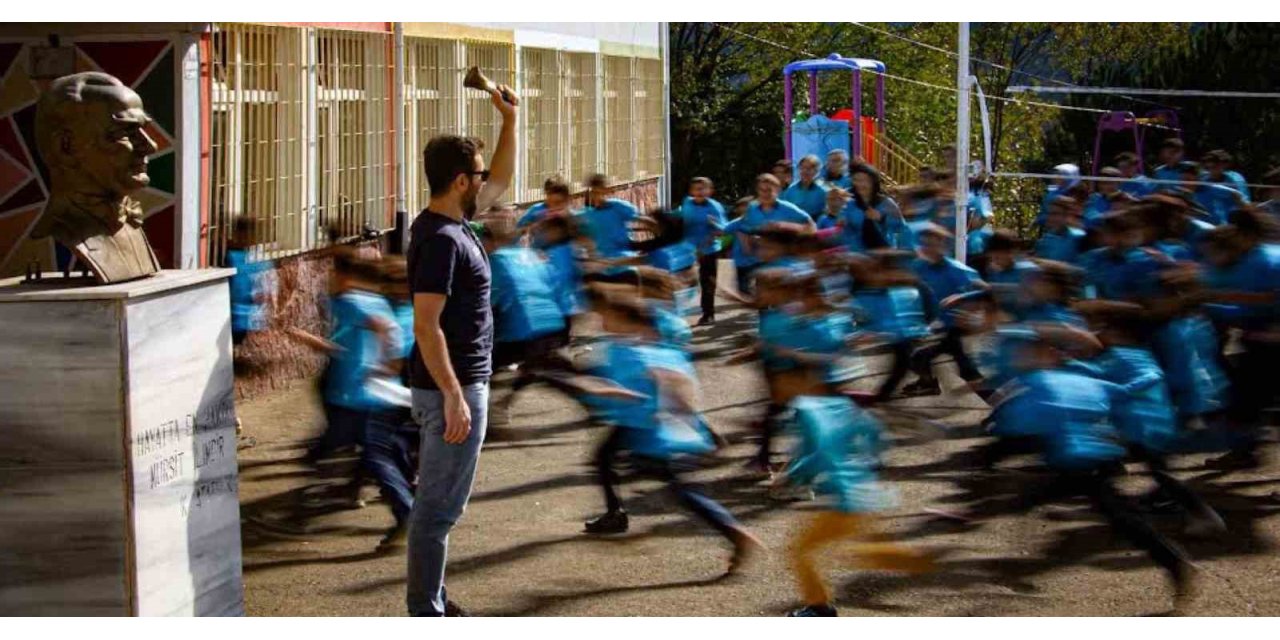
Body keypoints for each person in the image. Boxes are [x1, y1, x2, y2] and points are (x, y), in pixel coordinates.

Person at [404, 79, 518, 617]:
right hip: (451, 389)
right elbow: (427, 326)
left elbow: (500, 178)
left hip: (463, 384)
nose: (485, 181)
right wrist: (453, 394)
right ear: (457, 181)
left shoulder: (456, 223)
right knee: (437, 512)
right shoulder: (442, 240)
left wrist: (509, 120)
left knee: (442, 507)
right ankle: (426, 612)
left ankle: (435, 600)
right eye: (475, 174)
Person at [288, 251, 412, 549]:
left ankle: (406, 510)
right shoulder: (355, 302)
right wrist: (308, 340)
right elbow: (342, 348)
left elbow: (388, 329)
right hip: (359, 395)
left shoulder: (355, 303)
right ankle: (305, 508)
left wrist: (388, 363)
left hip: (361, 397)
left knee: (370, 456)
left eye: (334, 275)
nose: (330, 280)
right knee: (350, 452)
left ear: (345, 277)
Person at [776, 393, 934, 617]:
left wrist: (791, 476)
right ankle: (926, 562)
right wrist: (873, 457)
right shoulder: (840, 407)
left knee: (802, 552)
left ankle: (820, 609)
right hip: (866, 493)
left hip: (848, 500)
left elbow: (820, 453)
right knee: (866, 550)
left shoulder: (806, 412)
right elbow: (872, 430)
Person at [907, 224, 986, 396]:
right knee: (921, 356)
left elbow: (983, 291)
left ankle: (992, 397)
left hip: (955, 324)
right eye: (924, 244)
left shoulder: (956, 270)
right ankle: (927, 382)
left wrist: (964, 303)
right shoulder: (919, 267)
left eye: (932, 244)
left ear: (942, 246)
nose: (927, 248)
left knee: (924, 357)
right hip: (937, 323)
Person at [728, 173, 814, 293]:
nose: (765, 193)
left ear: (778, 190)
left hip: (784, 262)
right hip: (761, 261)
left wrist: (785, 226)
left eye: (769, 190)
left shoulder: (788, 208)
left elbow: (811, 227)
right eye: (762, 190)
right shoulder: (752, 208)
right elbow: (744, 229)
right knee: (761, 298)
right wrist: (748, 247)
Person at [678, 177, 728, 326]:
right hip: (688, 249)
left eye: (702, 188)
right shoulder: (687, 203)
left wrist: (713, 227)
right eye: (696, 188)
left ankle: (708, 314)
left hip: (709, 249)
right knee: (684, 281)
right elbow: (682, 221)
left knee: (707, 283)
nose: (699, 192)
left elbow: (723, 230)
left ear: (709, 191)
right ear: (691, 191)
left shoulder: (715, 207)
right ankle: (679, 312)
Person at [843, 163, 908, 251]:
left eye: (864, 180)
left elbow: (901, 228)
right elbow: (846, 231)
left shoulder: (886, 203)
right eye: (856, 180)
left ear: (873, 182)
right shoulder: (850, 203)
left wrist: (882, 219)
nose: (859, 184)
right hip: (858, 255)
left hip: (882, 254)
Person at [578, 173, 640, 262]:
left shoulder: (617, 206)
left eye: (599, 192)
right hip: (602, 262)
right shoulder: (586, 215)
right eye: (594, 193)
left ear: (605, 191)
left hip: (624, 257)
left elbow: (640, 218)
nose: (597, 197)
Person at [516, 175, 574, 247]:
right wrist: (533, 227)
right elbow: (517, 231)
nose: (553, 207)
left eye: (558, 203)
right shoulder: (535, 211)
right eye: (549, 202)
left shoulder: (570, 215)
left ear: (567, 200)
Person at [1083, 167, 1139, 231]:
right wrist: (1119, 213)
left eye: (1110, 183)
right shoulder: (1093, 199)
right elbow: (1090, 219)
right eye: (1103, 183)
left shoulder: (1127, 198)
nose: (1106, 186)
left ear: (1119, 183)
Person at [1034, 196, 1087, 264]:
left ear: (1066, 215)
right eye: (1050, 214)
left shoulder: (1078, 237)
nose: (1052, 218)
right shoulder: (1045, 240)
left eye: (1056, 214)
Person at [781, 154, 830, 219]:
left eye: (809, 169)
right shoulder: (791, 189)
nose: (805, 171)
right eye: (802, 168)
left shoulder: (824, 190)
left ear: (817, 171)